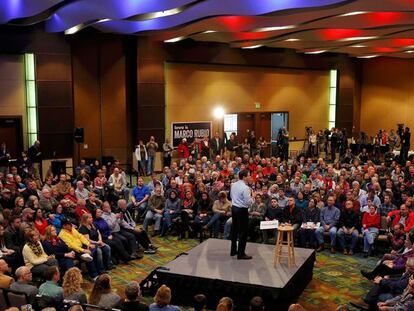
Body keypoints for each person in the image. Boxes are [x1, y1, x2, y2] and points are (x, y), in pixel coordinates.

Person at [230, 170, 255, 260]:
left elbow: (231, 196)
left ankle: (233, 251)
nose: (250, 177)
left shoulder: (233, 184)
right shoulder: (245, 188)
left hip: (234, 208)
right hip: (241, 210)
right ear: (244, 177)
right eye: (249, 175)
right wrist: (253, 197)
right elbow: (248, 203)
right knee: (243, 232)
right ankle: (241, 254)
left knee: (235, 230)